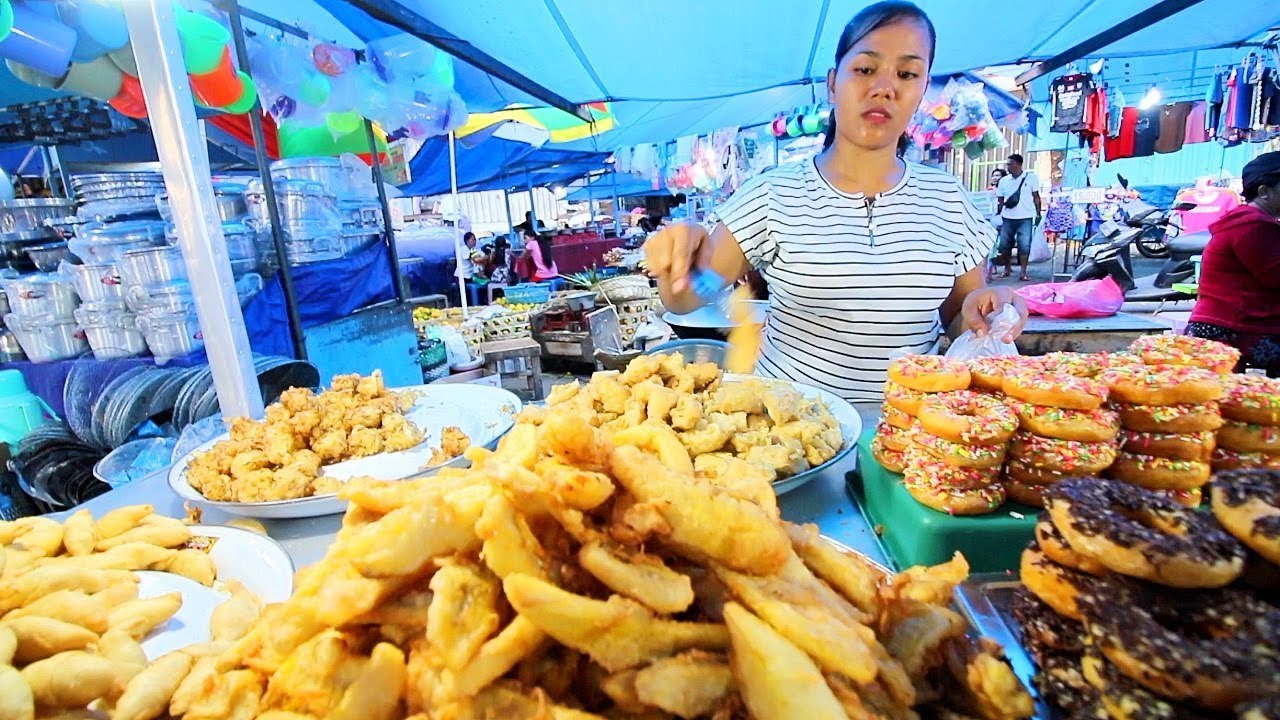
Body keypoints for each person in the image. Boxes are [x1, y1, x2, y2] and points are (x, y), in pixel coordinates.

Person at [644, 1, 1026, 403]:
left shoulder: (949, 201)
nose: (884, 87)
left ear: (921, 90)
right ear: (832, 83)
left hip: (910, 429)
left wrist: (986, 309)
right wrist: (678, 260)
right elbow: (690, 295)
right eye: (865, 69)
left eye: (907, 73)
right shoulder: (771, 196)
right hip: (793, 434)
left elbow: (957, 315)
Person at [1186, 151, 1280, 376]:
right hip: (1229, 329)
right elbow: (1275, 277)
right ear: (1264, 192)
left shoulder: (1253, 222)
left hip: (1239, 324)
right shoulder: (1252, 226)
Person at [995, 154, 1042, 281]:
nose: (1008, 167)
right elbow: (1000, 199)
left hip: (1025, 217)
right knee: (1004, 245)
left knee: (1024, 245)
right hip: (1007, 217)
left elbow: (1036, 196)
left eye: (1011, 164)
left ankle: (1023, 272)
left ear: (1019, 164)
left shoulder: (1031, 178)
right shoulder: (1004, 181)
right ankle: (1007, 268)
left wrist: (1038, 213)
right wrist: (998, 213)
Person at [985, 168, 1008, 281]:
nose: (994, 178)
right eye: (993, 175)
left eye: (998, 175)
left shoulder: (1006, 190)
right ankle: (990, 269)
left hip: (1004, 219)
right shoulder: (989, 191)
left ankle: (1004, 267)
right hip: (991, 220)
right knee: (991, 244)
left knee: (1001, 244)